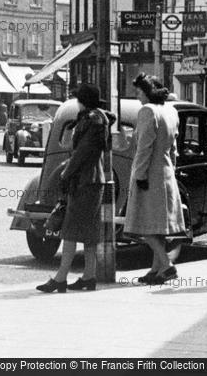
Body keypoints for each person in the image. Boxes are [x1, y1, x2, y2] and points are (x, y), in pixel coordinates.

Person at [36, 83, 113, 294]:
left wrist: (65, 173)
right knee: (88, 232)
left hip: (84, 180)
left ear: (83, 101)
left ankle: (60, 279)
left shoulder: (92, 121)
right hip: (93, 180)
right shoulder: (99, 119)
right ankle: (89, 276)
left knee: (69, 230)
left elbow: (82, 153)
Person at [124, 72, 186, 285]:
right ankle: (156, 269)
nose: (137, 96)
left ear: (147, 92)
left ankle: (167, 265)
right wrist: (172, 171)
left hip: (150, 173)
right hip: (166, 172)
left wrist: (139, 175)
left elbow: (144, 148)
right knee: (157, 225)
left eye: (139, 92)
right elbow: (174, 149)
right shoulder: (171, 111)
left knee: (143, 224)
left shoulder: (147, 111)